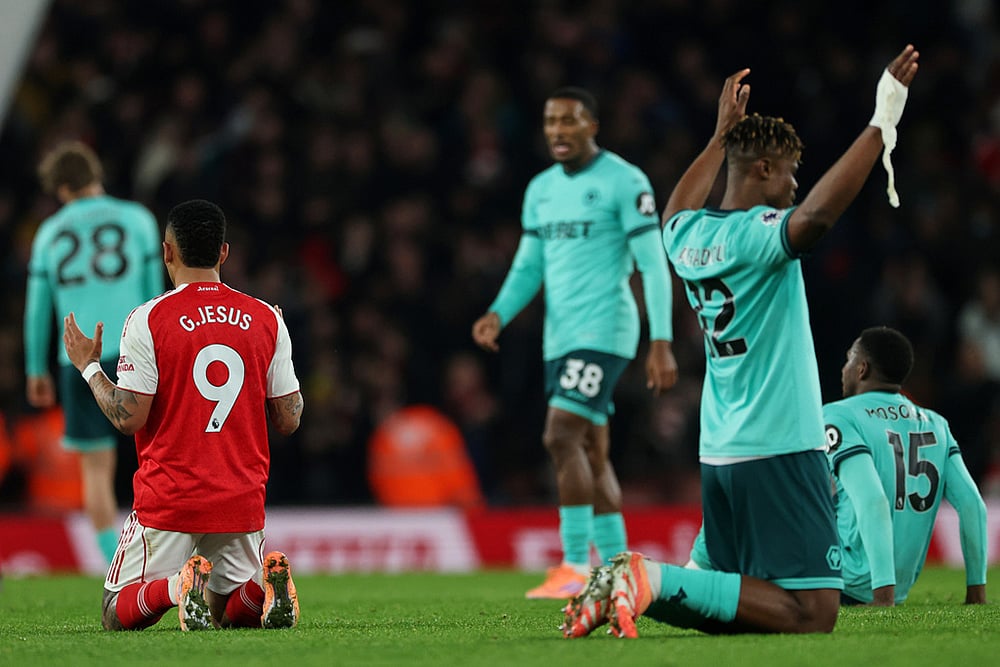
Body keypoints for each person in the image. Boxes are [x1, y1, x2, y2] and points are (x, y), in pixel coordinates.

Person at [562, 45, 920, 639]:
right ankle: (650, 577)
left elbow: (675, 208)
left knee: (743, 606)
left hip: (721, 450)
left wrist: (718, 136)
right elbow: (817, 218)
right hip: (780, 446)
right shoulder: (758, 237)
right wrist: (881, 125)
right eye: (788, 174)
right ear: (761, 171)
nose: (794, 185)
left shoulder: (687, 237)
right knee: (813, 612)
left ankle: (634, 586)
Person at [472, 86, 678, 599]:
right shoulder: (540, 189)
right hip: (559, 338)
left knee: (559, 435)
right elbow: (529, 264)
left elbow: (653, 263)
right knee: (592, 449)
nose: (558, 131)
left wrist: (662, 340)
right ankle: (617, 568)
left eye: (569, 121)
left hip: (606, 329)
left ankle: (572, 567)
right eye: (550, 122)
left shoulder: (625, 182)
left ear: (593, 126)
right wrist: (499, 312)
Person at [62, 199, 304, 631]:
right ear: (223, 253)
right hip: (241, 500)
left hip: (171, 499)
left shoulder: (148, 319)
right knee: (223, 609)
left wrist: (89, 367)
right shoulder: (267, 318)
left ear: (167, 252)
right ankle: (262, 592)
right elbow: (289, 419)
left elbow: (128, 417)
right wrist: (280, 348)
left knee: (114, 613)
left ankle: (176, 588)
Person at [24, 141, 164, 565]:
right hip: (136, 352)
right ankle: (167, 555)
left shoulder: (50, 232)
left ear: (62, 188)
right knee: (160, 458)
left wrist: (35, 368)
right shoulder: (137, 218)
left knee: (95, 470)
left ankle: (113, 564)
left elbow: (38, 307)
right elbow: (156, 293)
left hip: (81, 361)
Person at [824, 326, 987, 606]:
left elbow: (873, 500)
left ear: (862, 368)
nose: (843, 369)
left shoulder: (839, 416)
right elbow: (973, 505)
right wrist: (976, 595)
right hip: (900, 585)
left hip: (845, 580)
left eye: (849, 359)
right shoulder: (937, 424)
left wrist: (882, 597)